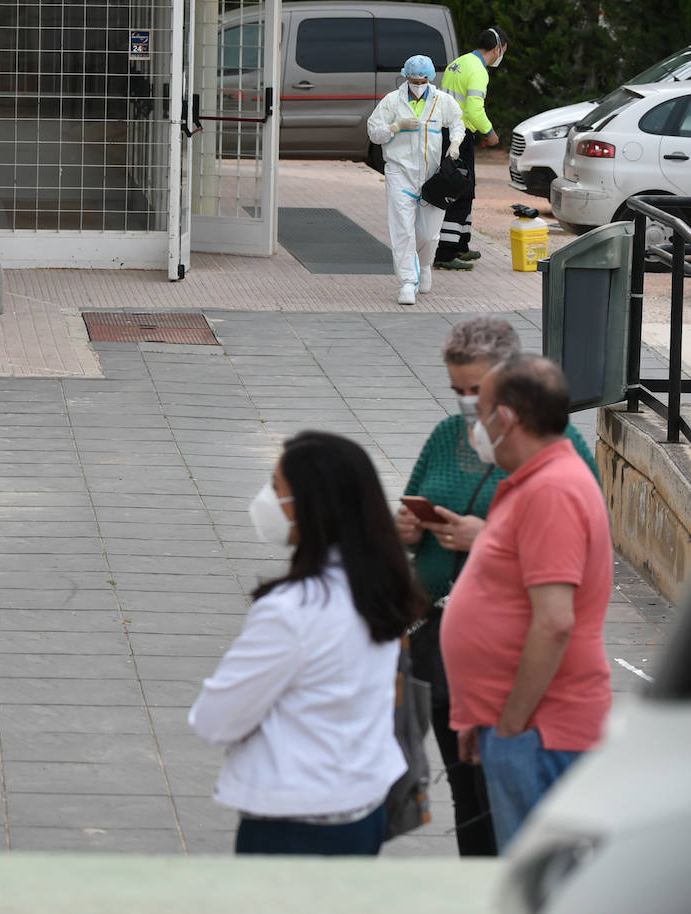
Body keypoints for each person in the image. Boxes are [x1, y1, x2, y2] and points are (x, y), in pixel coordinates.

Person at [396, 317, 598, 857]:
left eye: (478, 396)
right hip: (463, 669)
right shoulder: (461, 443)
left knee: (528, 850)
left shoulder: (554, 477)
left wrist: (508, 723)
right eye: (459, 392)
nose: (469, 412)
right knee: (473, 804)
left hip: (528, 707)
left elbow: (557, 610)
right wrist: (411, 531)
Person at [190, 431, 426, 856]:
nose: (267, 498)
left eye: (276, 487)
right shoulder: (381, 588)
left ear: (312, 507)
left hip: (294, 822)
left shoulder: (291, 611)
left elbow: (215, 720)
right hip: (363, 805)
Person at [440, 355, 613, 851]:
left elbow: (555, 622)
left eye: (483, 409)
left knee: (542, 886)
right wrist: (485, 714)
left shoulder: (554, 490)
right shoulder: (537, 481)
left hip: (540, 731)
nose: (476, 421)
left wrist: (512, 722)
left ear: (507, 419)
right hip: (520, 726)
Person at [366, 54, 465, 306]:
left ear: (429, 78)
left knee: (429, 233)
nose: (417, 84)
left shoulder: (442, 101)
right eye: (413, 79)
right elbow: (374, 131)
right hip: (400, 172)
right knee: (402, 229)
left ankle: (424, 264)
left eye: (421, 80)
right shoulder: (392, 102)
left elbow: (457, 122)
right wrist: (395, 127)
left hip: (432, 176)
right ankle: (407, 282)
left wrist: (455, 143)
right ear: (405, 76)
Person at [434, 27, 507, 271]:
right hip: (460, 135)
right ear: (497, 49)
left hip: (446, 132)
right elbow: (474, 110)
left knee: (466, 187)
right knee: (461, 191)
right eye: (503, 51)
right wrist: (490, 133)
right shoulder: (478, 71)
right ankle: (446, 252)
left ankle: (462, 245)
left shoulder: (458, 62)